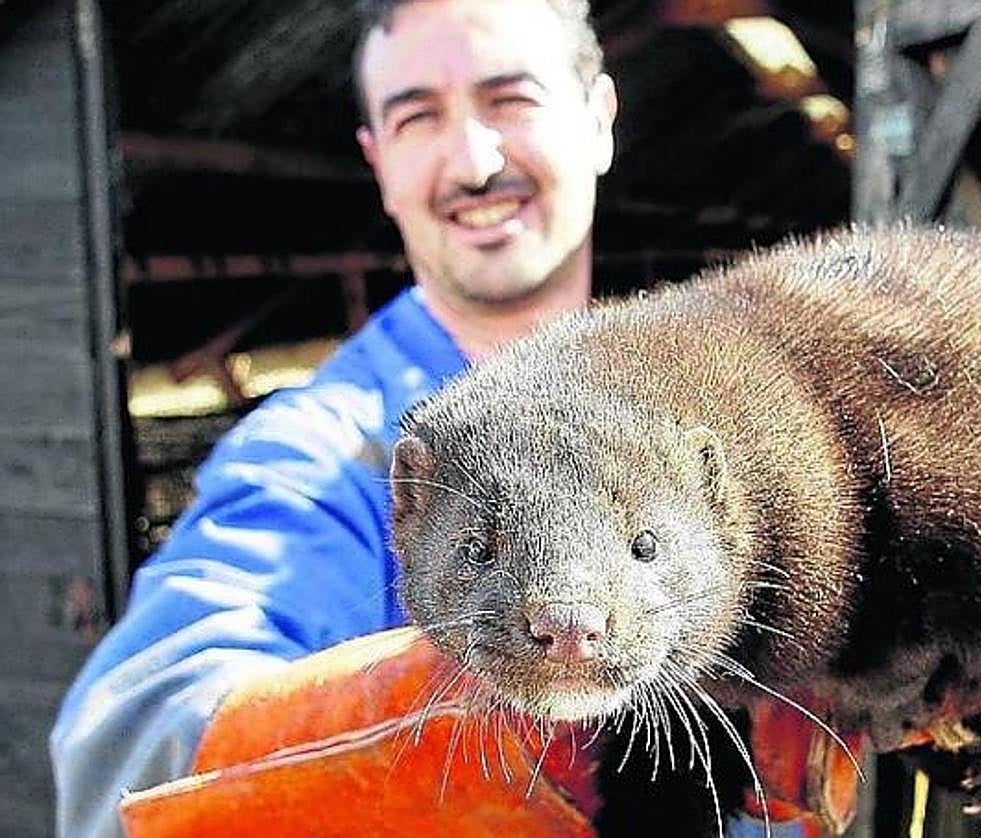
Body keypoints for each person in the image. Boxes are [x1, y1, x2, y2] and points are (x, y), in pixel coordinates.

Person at [50, 0, 618, 834]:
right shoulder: (332, 450)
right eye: (418, 119)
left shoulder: (693, 409)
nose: (473, 161)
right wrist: (518, 715)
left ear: (599, 119)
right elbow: (138, 743)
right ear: (379, 162)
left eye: (511, 100)